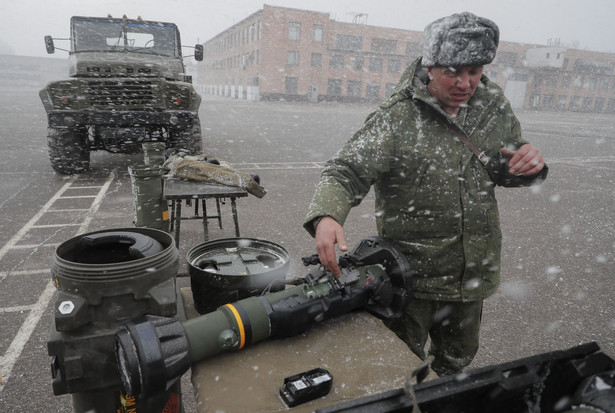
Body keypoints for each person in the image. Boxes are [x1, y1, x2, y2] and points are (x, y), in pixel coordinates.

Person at [303, 12, 548, 377]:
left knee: (457, 363)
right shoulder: (397, 117)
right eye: (453, 71)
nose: (466, 83)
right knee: (399, 367)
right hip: (410, 280)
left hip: (471, 276)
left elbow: (502, 167)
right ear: (430, 66)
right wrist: (327, 216)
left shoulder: (493, 106)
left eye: (475, 71)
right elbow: (345, 171)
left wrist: (528, 167)